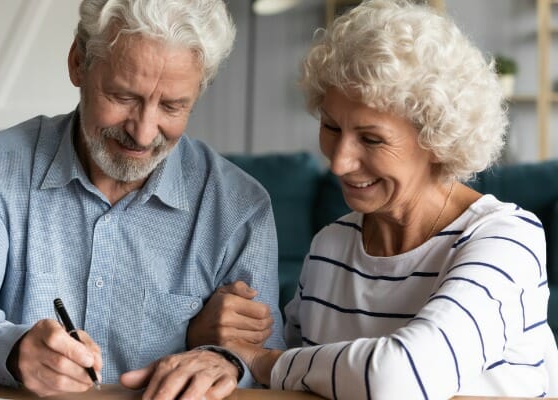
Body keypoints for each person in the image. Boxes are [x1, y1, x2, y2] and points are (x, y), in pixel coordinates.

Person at [0, 0, 284, 398]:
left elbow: (268, 362)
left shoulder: (240, 208)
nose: (142, 133)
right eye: (123, 96)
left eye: (172, 106)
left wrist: (226, 360)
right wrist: (15, 351)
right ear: (78, 63)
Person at [191, 0, 558, 398]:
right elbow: (298, 375)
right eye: (331, 127)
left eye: (371, 139)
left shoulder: (506, 241)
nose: (340, 163)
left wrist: (262, 360)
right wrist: (224, 341)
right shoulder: (330, 247)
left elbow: (399, 379)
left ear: (438, 138)